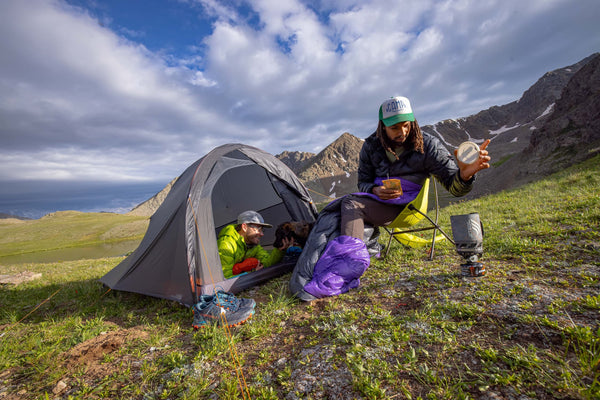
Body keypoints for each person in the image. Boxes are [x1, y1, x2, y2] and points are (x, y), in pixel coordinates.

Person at [341, 95, 491, 239]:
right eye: (394, 127)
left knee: (351, 205)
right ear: (383, 127)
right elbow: (363, 182)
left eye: (406, 125)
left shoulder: (429, 145)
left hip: (411, 209)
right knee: (337, 211)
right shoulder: (371, 146)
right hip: (381, 205)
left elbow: (455, 189)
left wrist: (464, 176)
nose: (402, 132)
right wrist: (374, 189)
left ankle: (348, 259)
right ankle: (346, 255)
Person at [218, 210, 293, 279]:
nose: (262, 234)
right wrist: (251, 274)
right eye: (258, 229)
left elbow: (267, 263)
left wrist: (279, 250)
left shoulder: (253, 245)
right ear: (244, 227)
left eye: (262, 230)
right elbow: (225, 278)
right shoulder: (226, 245)